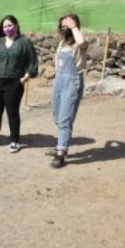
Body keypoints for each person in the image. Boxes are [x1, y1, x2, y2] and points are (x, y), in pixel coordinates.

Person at [0, 14, 38, 153]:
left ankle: (14, 140)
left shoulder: (24, 42)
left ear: (16, 25)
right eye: (5, 26)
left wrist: (26, 76)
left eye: (9, 25)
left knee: (12, 112)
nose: (7, 28)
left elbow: (32, 60)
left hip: (14, 83)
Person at [47, 13, 88, 168]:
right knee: (57, 116)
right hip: (60, 80)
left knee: (65, 119)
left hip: (73, 81)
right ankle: (61, 144)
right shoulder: (63, 42)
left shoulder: (81, 40)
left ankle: (61, 153)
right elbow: (57, 58)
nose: (65, 28)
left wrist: (73, 26)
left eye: (68, 25)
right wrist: (57, 72)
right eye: (63, 25)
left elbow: (81, 41)